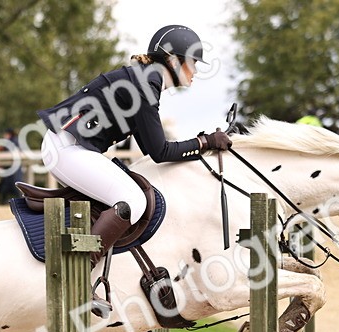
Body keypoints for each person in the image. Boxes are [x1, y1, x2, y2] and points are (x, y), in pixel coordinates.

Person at [38, 24, 229, 280]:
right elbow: (161, 151)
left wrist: (202, 145)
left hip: (69, 146)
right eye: (193, 62)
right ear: (173, 60)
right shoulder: (144, 84)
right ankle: (78, 269)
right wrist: (205, 142)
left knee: (128, 195)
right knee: (134, 200)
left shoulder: (143, 79)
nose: (195, 70)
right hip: (66, 147)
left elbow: (153, 149)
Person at [0, 128, 24, 203]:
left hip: (12, 172)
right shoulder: (14, 141)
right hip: (11, 171)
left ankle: (2, 202)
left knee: (11, 188)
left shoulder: (12, 142)